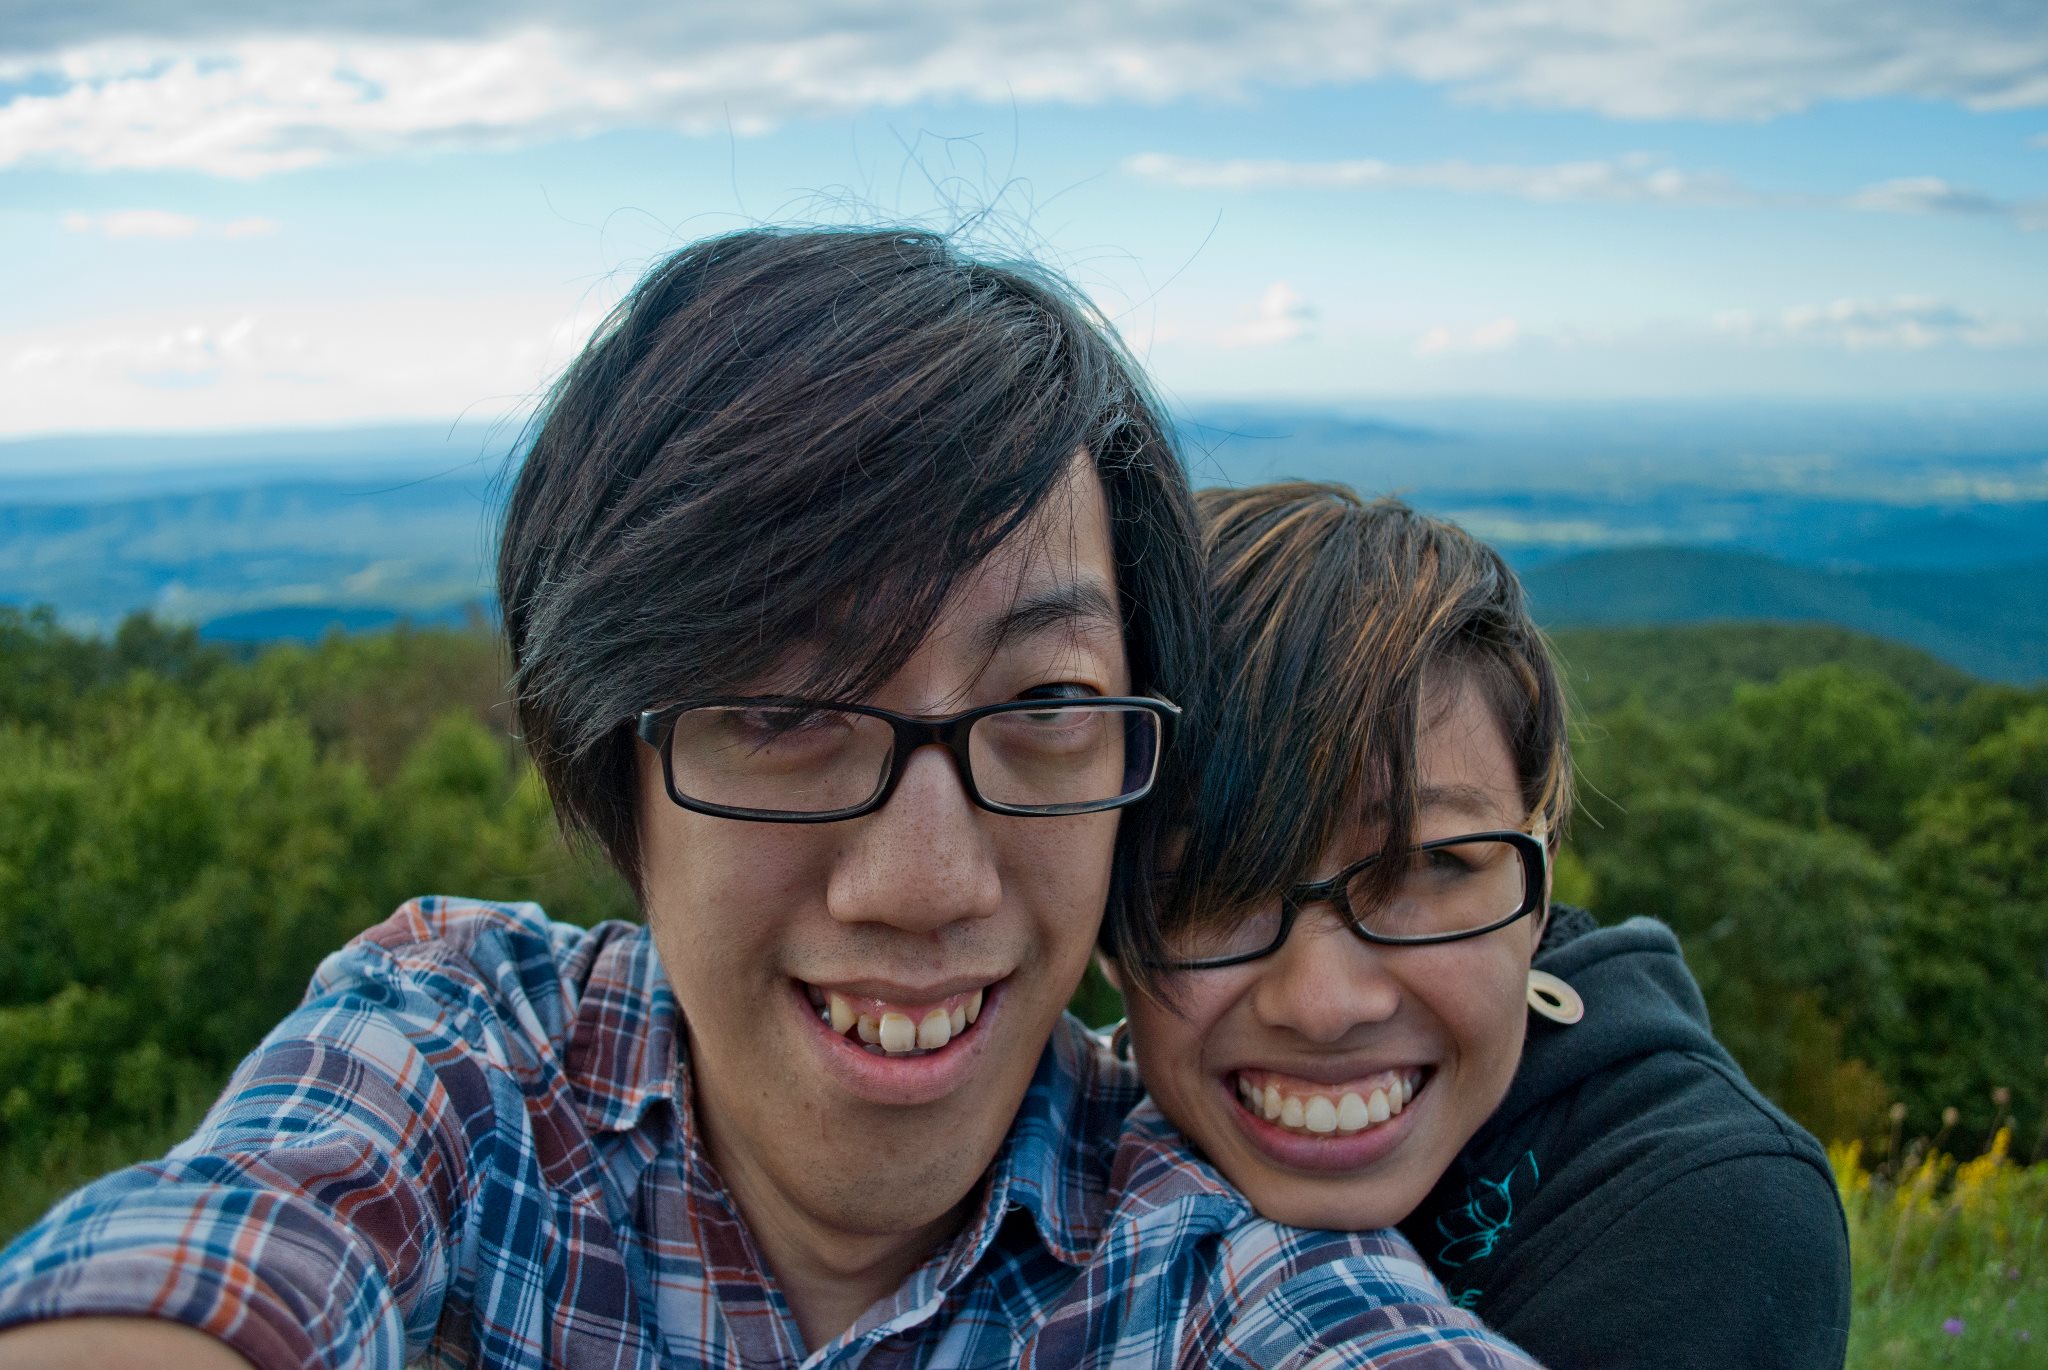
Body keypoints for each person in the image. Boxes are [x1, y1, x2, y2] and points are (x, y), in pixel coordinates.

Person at [0, 233, 1541, 1368]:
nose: (924, 881)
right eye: (780, 710)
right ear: (617, 762)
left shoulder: (1216, 1259)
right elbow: (226, 1255)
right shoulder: (461, 1059)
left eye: (1046, 707)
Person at [1108, 482, 1851, 1368]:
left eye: (1426, 866)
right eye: (1209, 879)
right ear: (1104, 926)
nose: (1322, 1005)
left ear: (1540, 879)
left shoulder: (1703, 1218)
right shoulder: (1036, 1125)